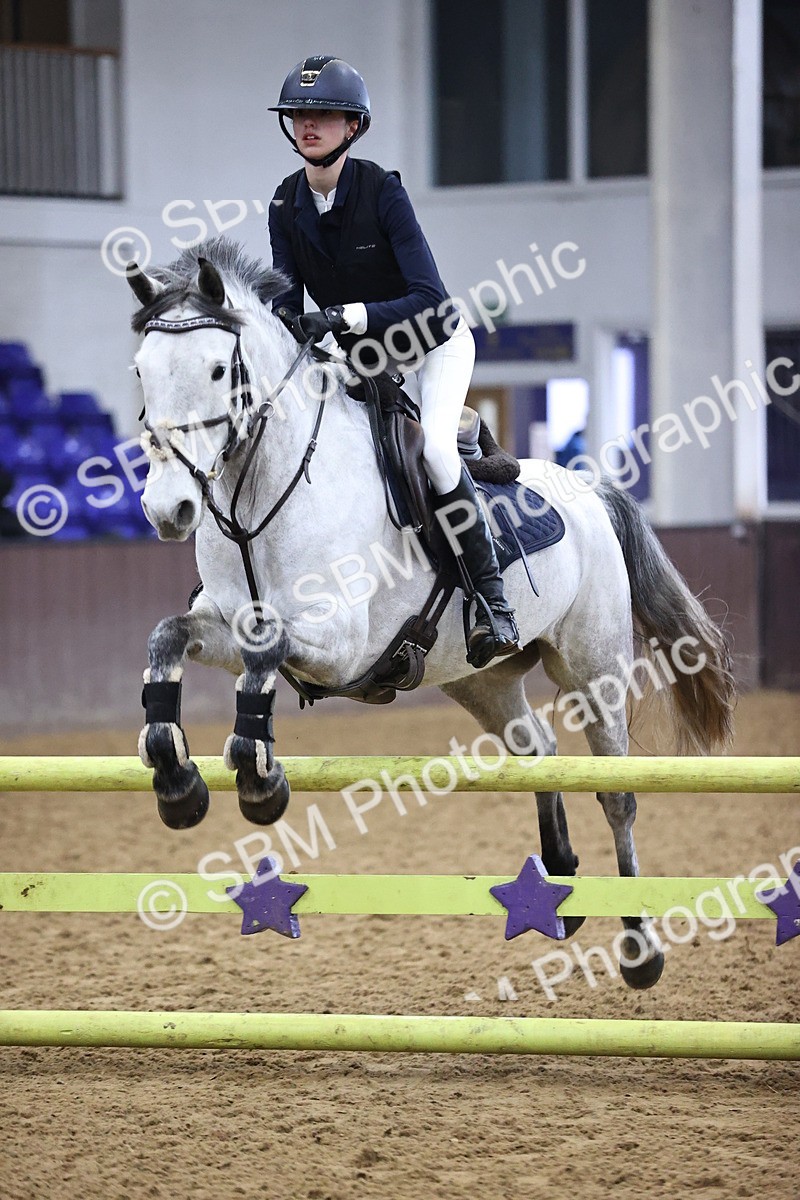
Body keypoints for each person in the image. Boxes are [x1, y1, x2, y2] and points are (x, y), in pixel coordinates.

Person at [268, 55, 519, 669]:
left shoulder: (383, 191)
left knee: (434, 452)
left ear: (353, 126)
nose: (308, 125)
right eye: (300, 115)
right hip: (358, 363)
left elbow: (431, 300)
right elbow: (285, 300)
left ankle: (493, 602)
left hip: (432, 347)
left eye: (323, 115)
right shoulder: (284, 203)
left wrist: (348, 317)